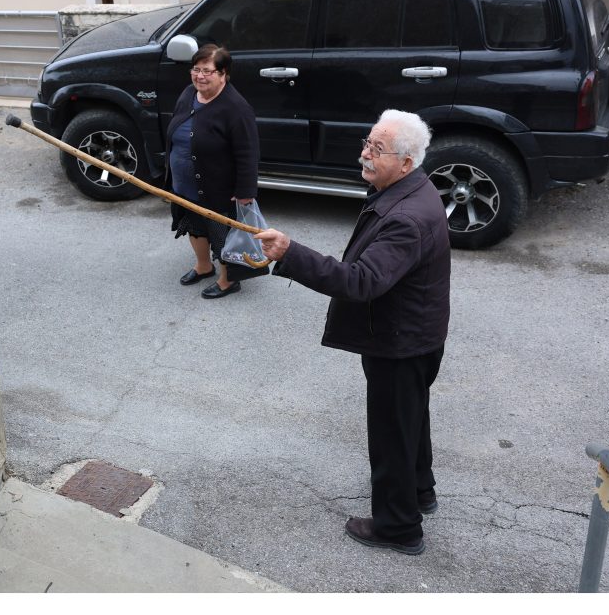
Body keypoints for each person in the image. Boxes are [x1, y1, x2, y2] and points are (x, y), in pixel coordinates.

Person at [253, 110, 450, 555]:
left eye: (378, 150)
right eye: (367, 143)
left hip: (400, 342)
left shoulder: (407, 217)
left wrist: (289, 253)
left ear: (406, 162)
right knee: (410, 419)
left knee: (391, 433)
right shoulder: (413, 188)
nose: (365, 154)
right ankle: (419, 491)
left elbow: (361, 281)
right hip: (415, 334)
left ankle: (399, 526)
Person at [165, 44, 262, 299]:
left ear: (223, 73)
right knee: (194, 225)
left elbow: (248, 153)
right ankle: (203, 266)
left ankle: (228, 279)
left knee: (222, 234)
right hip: (186, 184)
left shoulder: (236, 108)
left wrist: (245, 191)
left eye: (207, 71)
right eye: (196, 70)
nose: (200, 76)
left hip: (219, 187)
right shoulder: (188, 93)